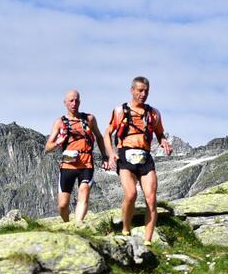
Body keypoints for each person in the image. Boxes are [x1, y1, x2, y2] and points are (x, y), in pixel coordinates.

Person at [104, 76, 172, 246]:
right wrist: (111, 154)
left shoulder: (154, 113)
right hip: (125, 155)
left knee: (151, 198)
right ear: (132, 90)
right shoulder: (120, 111)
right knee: (131, 194)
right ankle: (126, 229)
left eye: (146, 91)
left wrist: (163, 141)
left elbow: (159, 133)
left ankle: (148, 241)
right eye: (140, 90)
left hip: (145, 156)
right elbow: (107, 133)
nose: (143, 94)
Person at [44, 89, 109, 222]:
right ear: (65, 103)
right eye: (71, 101)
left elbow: (99, 137)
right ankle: (67, 224)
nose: (74, 103)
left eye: (77, 100)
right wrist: (58, 142)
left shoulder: (89, 119)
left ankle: (78, 225)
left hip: (86, 164)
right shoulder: (59, 122)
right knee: (62, 205)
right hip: (68, 164)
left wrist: (104, 156)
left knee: (84, 192)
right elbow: (47, 148)